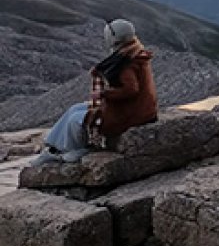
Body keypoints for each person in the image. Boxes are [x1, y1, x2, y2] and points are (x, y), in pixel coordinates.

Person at [34, 19, 157, 164]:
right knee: (75, 109)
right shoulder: (133, 52)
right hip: (137, 108)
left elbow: (131, 90)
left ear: (115, 37)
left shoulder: (127, 62)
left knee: (76, 119)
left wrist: (104, 93)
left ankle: (75, 149)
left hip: (130, 114)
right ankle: (53, 147)